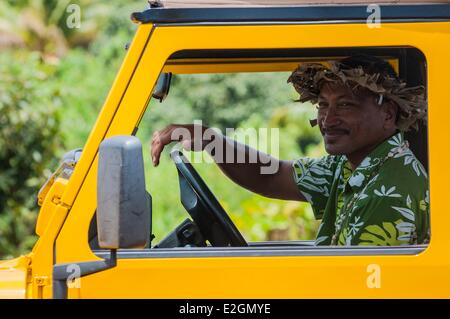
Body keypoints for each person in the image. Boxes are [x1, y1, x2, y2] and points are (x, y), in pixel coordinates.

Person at [150, 54, 429, 246]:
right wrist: (207, 137)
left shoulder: (389, 192)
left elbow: (352, 287)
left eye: (346, 105)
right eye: (323, 105)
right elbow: (272, 175)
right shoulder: (352, 166)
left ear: (388, 115)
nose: (328, 120)